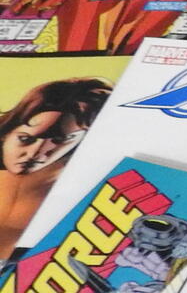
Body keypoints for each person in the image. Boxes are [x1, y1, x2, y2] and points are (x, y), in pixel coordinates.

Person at [0, 76, 112, 253]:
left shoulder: (85, 179)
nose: (35, 154)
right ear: (8, 131)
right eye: (26, 139)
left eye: (59, 141)